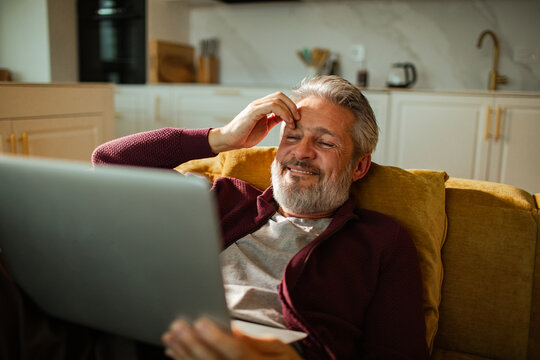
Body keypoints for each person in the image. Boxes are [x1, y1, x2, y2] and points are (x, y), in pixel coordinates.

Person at [91, 75, 429, 359]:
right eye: (293, 136)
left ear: (359, 166)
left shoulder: (381, 241)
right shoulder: (223, 200)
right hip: (170, 339)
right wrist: (222, 138)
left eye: (325, 143)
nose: (302, 152)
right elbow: (109, 163)